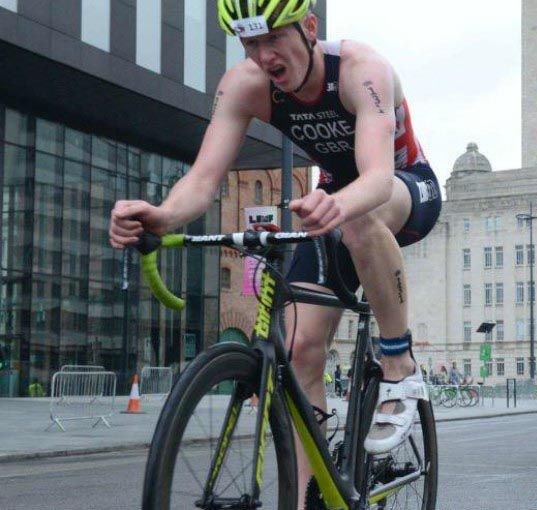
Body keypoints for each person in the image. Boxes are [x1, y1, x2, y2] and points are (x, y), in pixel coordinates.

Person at [108, 2, 441, 506]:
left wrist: (340, 203)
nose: (263, 57)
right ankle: (315, 491)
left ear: (310, 28)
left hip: (401, 190)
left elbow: (373, 176)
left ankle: (399, 367)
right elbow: (202, 180)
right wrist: (162, 216)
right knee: (300, 346)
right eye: (249, 44)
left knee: (356, 214)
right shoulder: (244, 86)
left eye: (272, 40)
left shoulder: (360, 70)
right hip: (332, 203)